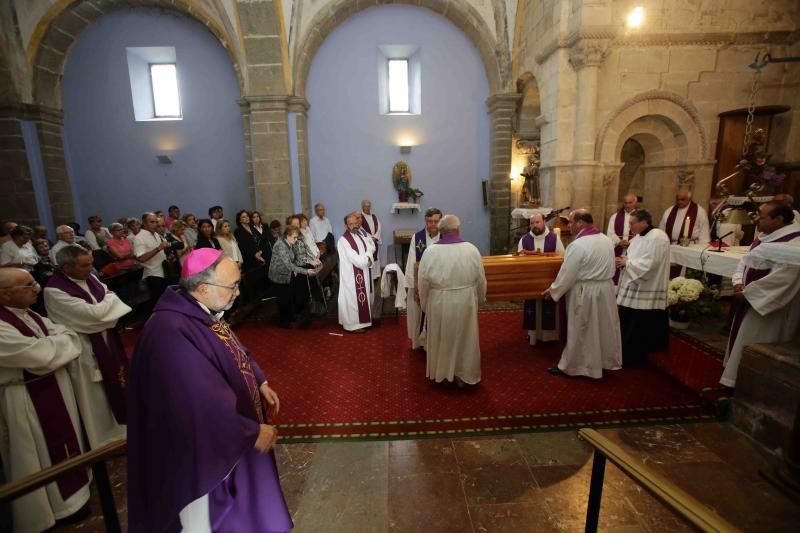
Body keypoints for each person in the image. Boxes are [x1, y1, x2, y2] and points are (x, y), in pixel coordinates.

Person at [128, 249, 292, 532]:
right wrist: (251, 431)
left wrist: (260, 381)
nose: (239, 293)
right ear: (203, 288)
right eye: (233, 287)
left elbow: (234, 349)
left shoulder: (198, 310)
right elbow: (197, 401)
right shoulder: (170, 330)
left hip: (226, 432)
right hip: (198, 454)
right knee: (204, 521)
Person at [0, 267, 91, 532]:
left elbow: (68, 335)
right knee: (34, 454)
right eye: (28, 285)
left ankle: (75, 500)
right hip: (25, 398)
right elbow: (40, 357)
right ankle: (48, 512)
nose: (36, 287)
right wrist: (57, 345)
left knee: (65, 442)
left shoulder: (28, 314)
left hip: (52, 387)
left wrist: (57, 345)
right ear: (5, 296)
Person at [44, 245, 131, 448]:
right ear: (66, 268)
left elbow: (110, 303)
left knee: (118, 384)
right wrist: (107, 308)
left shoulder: (90, 278)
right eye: (85, 265)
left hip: (106, 341)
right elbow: (95, 316)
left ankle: (123, 431)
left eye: (91, 263)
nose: (91, 269)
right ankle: (103, 442)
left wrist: (105, 312)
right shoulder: (55, 290)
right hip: (84, 350)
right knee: (95, 398)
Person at [721, 201, 800, 388]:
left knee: (754, 340)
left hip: (765, 306)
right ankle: (733, 378)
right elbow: (745, 260)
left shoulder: (793, 244)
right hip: (748, 296)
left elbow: (784, 279)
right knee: (741, 338)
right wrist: (738, 282)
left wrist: (748, 293)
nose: (757, 220)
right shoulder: (766, 236)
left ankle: (747, 385)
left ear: (779, 219)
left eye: (762, 217)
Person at [543, 209, 622, 378]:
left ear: (580, 223)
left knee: (580, 328)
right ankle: (602, 362)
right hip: (605, 290)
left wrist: (553, 291)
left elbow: (567, 274)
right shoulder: (606, 240)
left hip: (585, 292)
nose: (569, 226)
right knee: (602, 327)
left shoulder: (578, 245)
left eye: (570, 222)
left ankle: (573, 366)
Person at [418, 215, 486, 386]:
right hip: (465, 300)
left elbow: (423, 281)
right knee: (465, 338)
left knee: (443, 338)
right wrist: (480, 298)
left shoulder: (431, 251)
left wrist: (425, 304)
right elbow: (480, 279)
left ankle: (442, 374)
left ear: (441, 231)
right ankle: (463, 375)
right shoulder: (471, 249)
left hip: (439, 300)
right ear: (458, 229)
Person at [615, 209, 671, 365]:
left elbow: (651, 263)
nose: (629, 227)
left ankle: (636, 355)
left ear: (644, 222)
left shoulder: (658, 237)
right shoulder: (638, 237)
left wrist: (627, 263)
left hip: (647, 286)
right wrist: (624, 260)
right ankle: (625, 351)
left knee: (639, 324)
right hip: (635, 284)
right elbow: (634, 257)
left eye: (632, 224)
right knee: (628, 319)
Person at [517, 213, 565, 345]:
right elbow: (519, 262)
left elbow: (562, 258)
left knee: (549, 309)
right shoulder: (524, 240)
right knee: (533, 307)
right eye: (532, 223)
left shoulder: (554, 239)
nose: (535, 225)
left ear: (544, 222)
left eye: (537, 222)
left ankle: (549, 337)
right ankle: (533, 335)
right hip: (532, 281)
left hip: (549, 281)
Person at [405, 208, 442, 350]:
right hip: (421, 283)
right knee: (420, 314)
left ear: (441, 222)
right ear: (425, 221)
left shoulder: (446, 237)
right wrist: (413, 287)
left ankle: (435, 344)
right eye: (429, 221)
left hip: (439, 285)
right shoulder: (417, 237)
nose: (433, 224)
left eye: (436, 221)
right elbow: (411, 263)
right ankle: (421, 343)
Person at [269, 226, 319, 328]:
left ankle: (290, 316)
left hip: (287, 273)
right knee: (283, 299)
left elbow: (292, 259)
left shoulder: (289, 242)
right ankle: (284, 322)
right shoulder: (280, 245)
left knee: (289, 296)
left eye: (297, 237)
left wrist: (295, 269)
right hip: (278, 276)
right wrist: (306, 271)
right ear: (288, 235)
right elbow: (288, 264)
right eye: (294, 237)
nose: (296, 240)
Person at [337, 212, 374, 333]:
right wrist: (368, 257)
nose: (354, 226)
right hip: (352, 276)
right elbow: (358, 260)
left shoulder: (359, 235)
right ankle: (353, 326)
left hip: (362, 272)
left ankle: (362, 321)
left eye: (355, 223)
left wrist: (367, 256)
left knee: (360, 299)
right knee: (353, 299)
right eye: (350, 224)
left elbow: (370, 246)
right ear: (346, 225)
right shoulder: (344, 241)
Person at [133, 212, 170, 301]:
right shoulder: (139, 237)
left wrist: (167, 257)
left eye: (156, 222)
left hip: (164, 271)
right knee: (158, 301)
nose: (155, 225)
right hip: (153, 274)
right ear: (144, 223)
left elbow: (160, 252)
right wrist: (158, 248)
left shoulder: (156, 234)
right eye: (152, 222)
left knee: (167, 299)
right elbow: (141, 258)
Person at [607, 194, 638, 284]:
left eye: (630, 203)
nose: (627, 205)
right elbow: (610, 233)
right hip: (618, 248)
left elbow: (642, 233)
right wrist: (619, 241)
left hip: (633, 249)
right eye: (625, 203)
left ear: (635, 203)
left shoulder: (640, 217)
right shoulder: (615, 217)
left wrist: (630, 242)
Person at [359, 200, 382, 281]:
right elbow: (361, 230)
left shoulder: (374, 216)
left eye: (369, 206)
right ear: (362, 207)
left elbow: (379, 227)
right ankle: (370, 276)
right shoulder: (360, 217)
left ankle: (376, 275)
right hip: (367, 243)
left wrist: (376, 237)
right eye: (366, 206)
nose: (368, 208)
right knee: (370, 258)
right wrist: (370, 239)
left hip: (375, 240)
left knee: (376, 258)